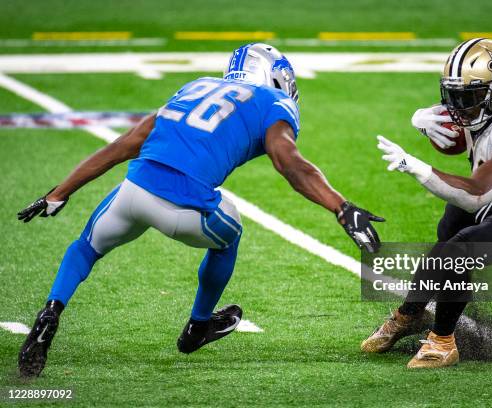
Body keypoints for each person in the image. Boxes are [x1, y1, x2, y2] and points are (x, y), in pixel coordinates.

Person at [17, 43, 384, 378]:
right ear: (275, 75)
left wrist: (58, 193)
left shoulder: (195, 86)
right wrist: (341, 207)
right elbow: (288, 162)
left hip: (134, 190)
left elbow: (125, 144)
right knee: (231, 231)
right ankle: (198, 326)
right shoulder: (273, 102)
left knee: (86, 246)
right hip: (185, 208)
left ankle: (51, 311)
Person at [361, 38, 492, 368]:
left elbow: (475, 196)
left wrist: (417, 166)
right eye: (454, 96)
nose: (459, 107)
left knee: (458, 251)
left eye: (469, 98)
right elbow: (456, 124)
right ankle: (410, 314)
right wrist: (422, 117)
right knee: (447, 236)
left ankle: (442, 341)